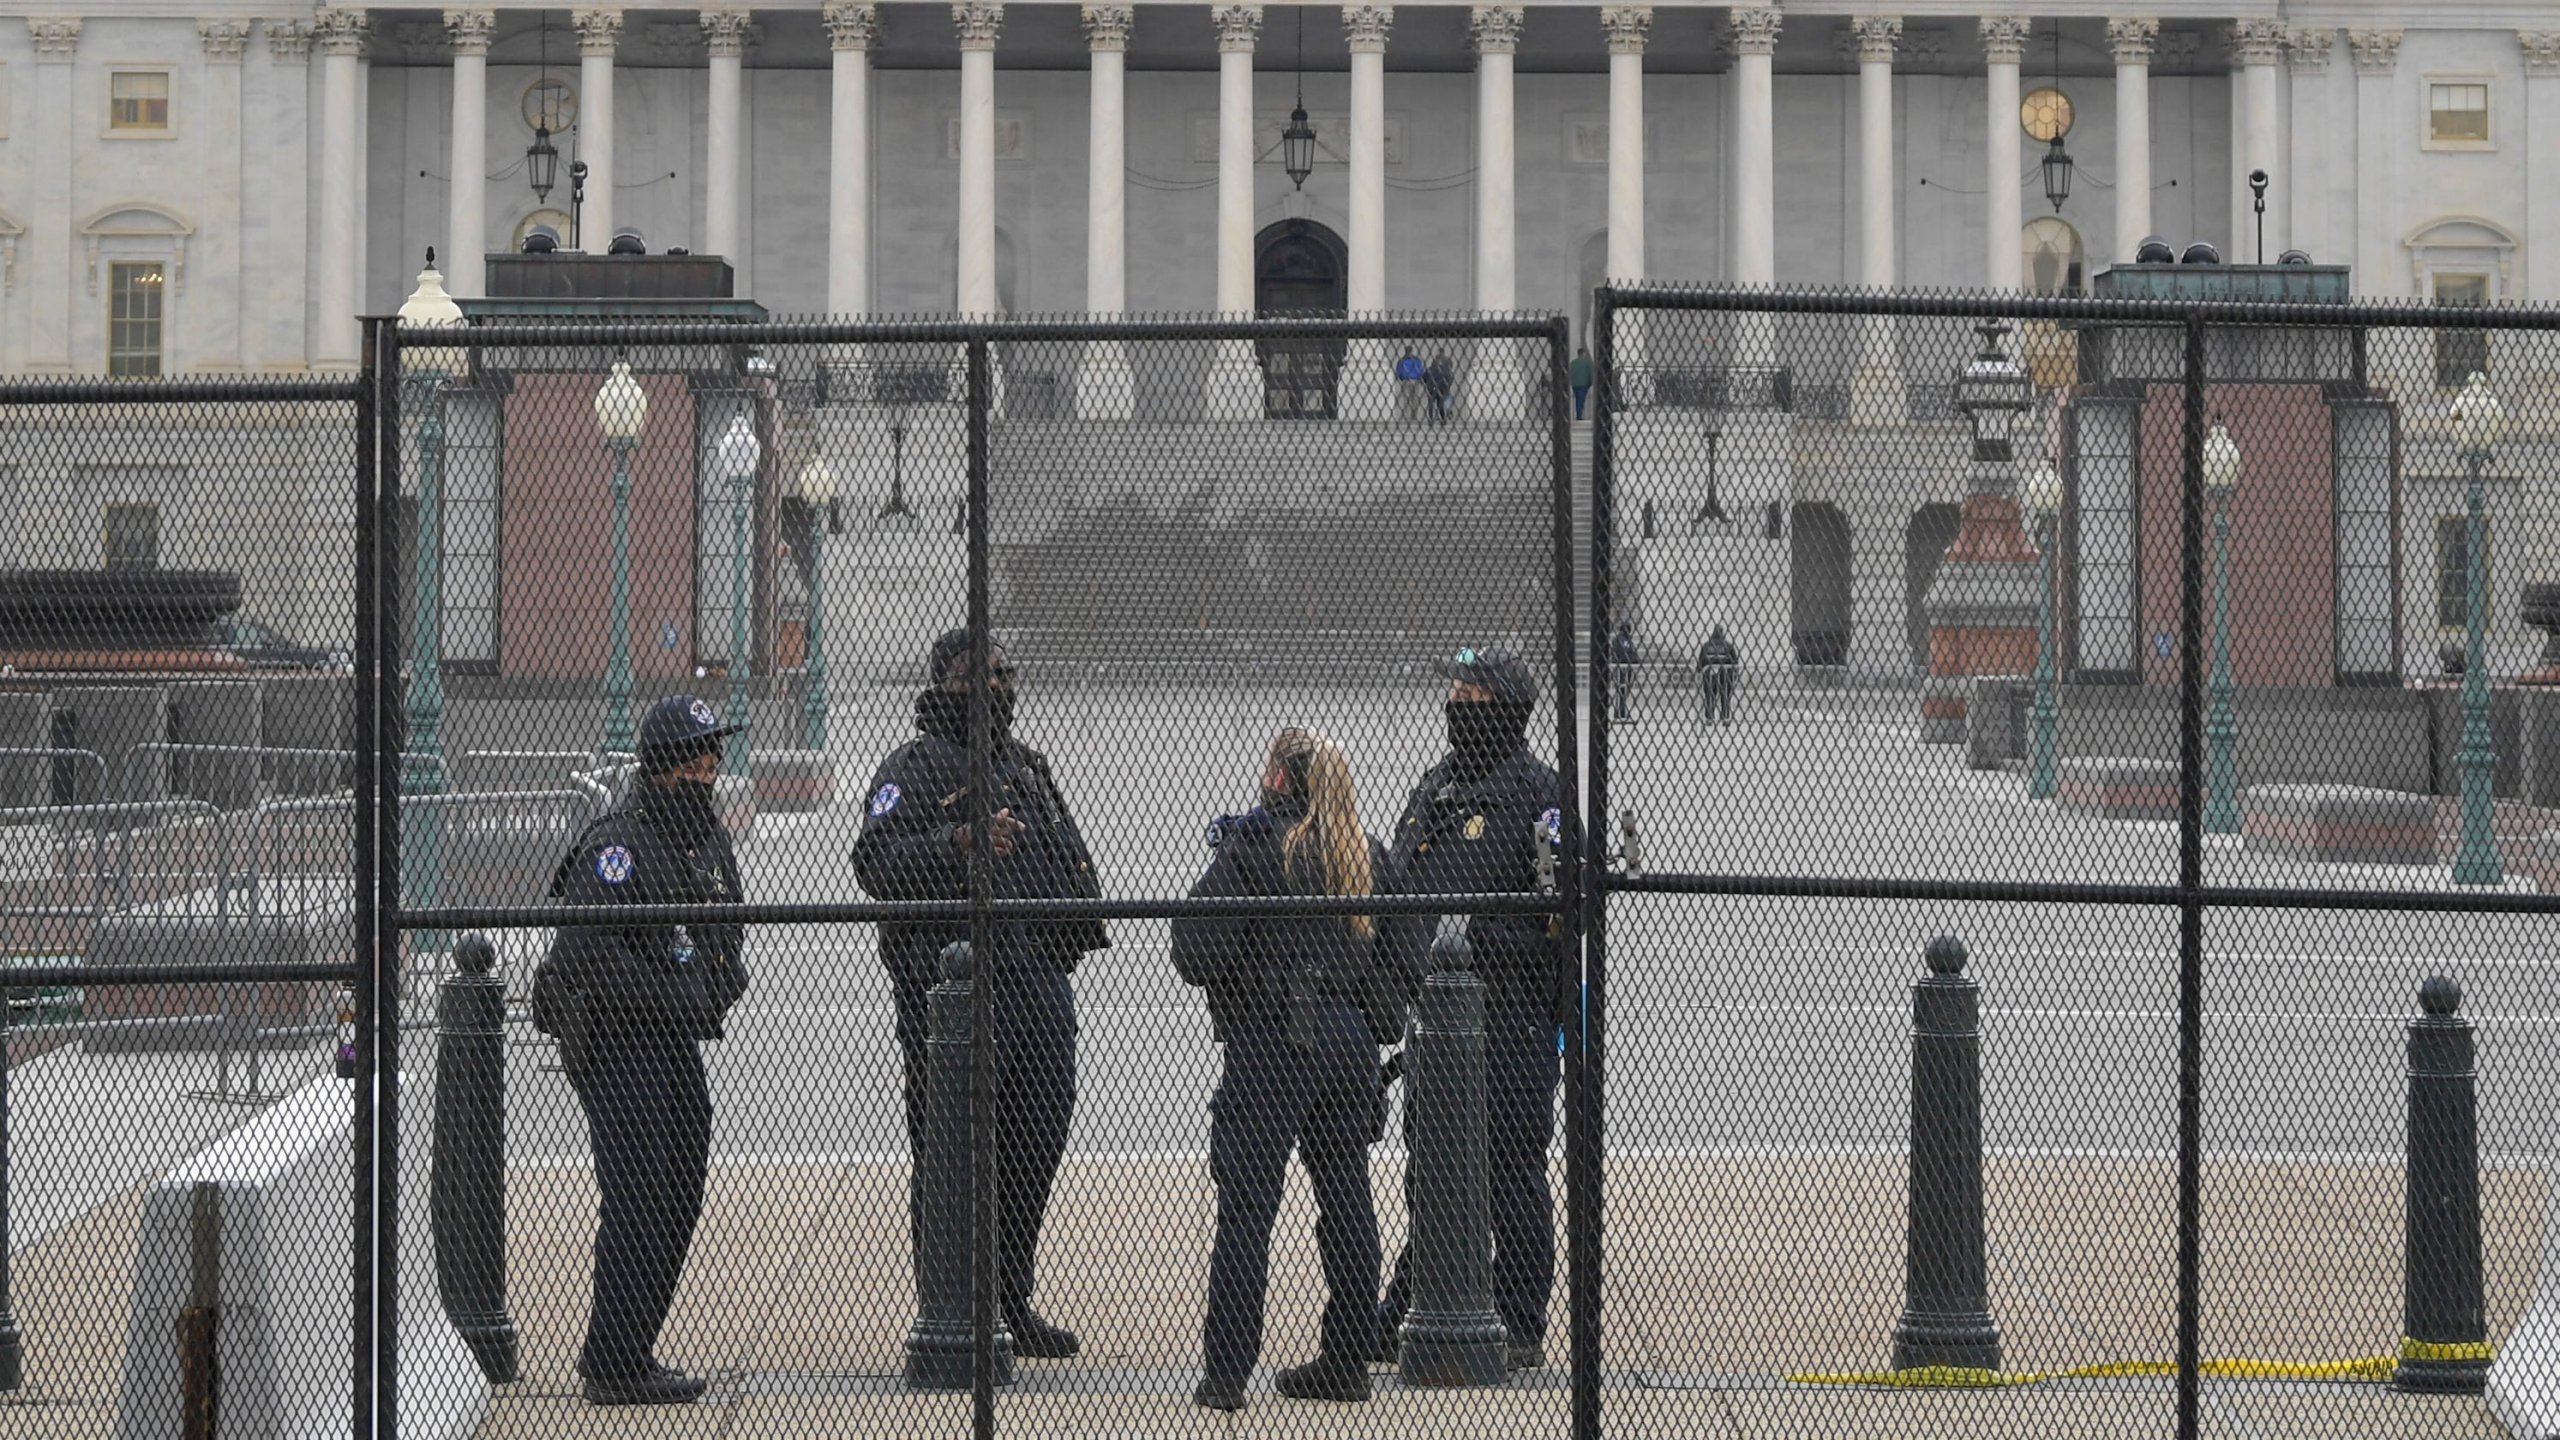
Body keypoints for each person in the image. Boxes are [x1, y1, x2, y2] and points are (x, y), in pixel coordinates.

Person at [851, 630, 1106, 1360]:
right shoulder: (914, 767)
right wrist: (956, 842)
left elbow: (1069, 853)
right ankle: (953, 1308)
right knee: (953, 1150)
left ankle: (1009, 1299)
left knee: (1035, 1142)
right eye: (976, 676)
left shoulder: (1026, 766)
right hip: (953, 991)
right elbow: (874, 862)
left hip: (1038, 980)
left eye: (1001, 674)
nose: (993, 686)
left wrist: (1076, 916)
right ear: (944, 684)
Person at [535, 694, 753, 1407]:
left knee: (680, 1190)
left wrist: (716, 983)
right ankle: (614, 1361)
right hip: (617, 1039)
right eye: (698, 754)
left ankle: (631, 1346)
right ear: (664, 765)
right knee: (638, 1194)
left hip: (674, 1038)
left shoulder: (707, 838)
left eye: (715, 751)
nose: (711, 763)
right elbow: (585, 955)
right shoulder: (619, 845)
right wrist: (675, 990)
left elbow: (728, 930)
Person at [1175, 729, 1401, 1411]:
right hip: (1348, 1041)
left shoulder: (1255, 845)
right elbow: (1404, 955)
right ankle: (1347, 1361)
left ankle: (1227, 1373)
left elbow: (1193, 949)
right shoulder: (1365, 852)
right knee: (1346, 1197)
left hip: (1274, 1041)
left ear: (1278, 777)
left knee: (1248, 1208)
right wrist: (1366, 1012)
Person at [1374, 645, 1569, 1372]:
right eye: (1453, 695)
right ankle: (1415, 1301)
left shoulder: (1540, 794)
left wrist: (1479, 935)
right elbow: (1398, 880)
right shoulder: (1436, 785)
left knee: (1511, 1167)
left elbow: (1562, 911)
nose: (1454, 707)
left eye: (1469, 697)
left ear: (1506, 711)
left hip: (1509, 1014)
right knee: (1430, 1168)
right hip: (1433, 1012)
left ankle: (1518, 1316)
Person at [1697, 625, 1740, 725]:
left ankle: (1709, 718)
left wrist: (1699, 673)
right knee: (1725, 696)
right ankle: (1725, 717)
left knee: (1709, 696)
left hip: (1709, 674)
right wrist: (1735, 675)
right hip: (1725, 675)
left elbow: (1700, 662)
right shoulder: (1728, 645)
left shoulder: (1706, 645)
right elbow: (1735, 662)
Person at [1610, 621, 1640, 723]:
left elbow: (1632, 653)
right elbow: (1624, 653)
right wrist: (1633, 660)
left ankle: (1621, 710)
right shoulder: (1621, 640)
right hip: (1621, 667)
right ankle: (1620, 711)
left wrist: (1634, 660)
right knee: (1621, 689)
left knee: (1623, 690)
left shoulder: (1626, 640)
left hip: (1625, 667)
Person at [1395, 347, 1428, 424]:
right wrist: (1422, 380)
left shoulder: (1401, 360)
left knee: (1406, 399)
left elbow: (1398, 371)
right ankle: (1414, 415)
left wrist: (1400, 378)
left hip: (1406, 380)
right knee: (1415, 398)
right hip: (1416, 380)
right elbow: (1421, 371)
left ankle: (1407, 416)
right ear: (1412, 351)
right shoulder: (1417, 360)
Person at [1424, 351, 1457, 425]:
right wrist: (1448, 385)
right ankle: (1448, 412)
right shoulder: (1446, 365)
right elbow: (1450, 376)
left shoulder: (1430, 369)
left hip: (1432, 389)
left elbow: (1425, 378)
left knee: (1432, 404)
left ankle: (1431, 418)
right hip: (1443, 387)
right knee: (1445, 399)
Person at [1569, 344, 1595, 421]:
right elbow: (1590, 373)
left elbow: (1570, 373)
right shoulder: (1587, 363)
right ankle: (1579, 415)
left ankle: (1579, 414)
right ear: (1583, 354)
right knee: (1581, 400)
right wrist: (1591, 382)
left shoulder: (1573, 363)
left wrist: (1571, 382)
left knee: (1578, 399)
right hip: (1584, 384)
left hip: (1575, 384)